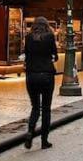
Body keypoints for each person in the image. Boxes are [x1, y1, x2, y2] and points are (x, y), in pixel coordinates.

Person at [23, 16, 58, 150]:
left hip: (31, 75)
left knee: (35, 107)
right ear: (46, 25)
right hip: (47, 75)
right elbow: (54, 54)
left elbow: (26, 54)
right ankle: (44, 141)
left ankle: (30, 132)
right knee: (46, 108)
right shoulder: (49, 37)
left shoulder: (28, 37)